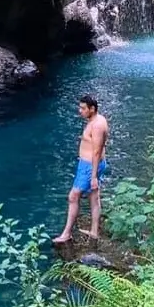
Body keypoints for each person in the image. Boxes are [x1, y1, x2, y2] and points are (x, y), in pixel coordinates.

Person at [53, 95, 109, 244]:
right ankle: (94, 232)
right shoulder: (97, 120)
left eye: (83, 108)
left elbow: (96, 151)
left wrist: (93, 176)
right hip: (93, 164)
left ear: (92, 109)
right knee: (94, 197)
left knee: (73, 196)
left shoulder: (96, 125)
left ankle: (66, 234)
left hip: (89, 166)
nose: (80, 111)